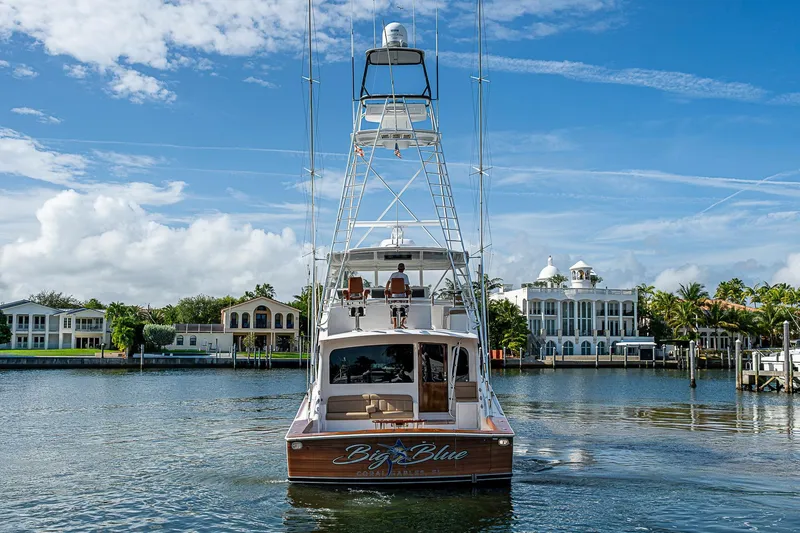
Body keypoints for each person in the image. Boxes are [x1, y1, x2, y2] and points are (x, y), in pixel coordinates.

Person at [386, 263, 411, 328]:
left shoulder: (393, 275)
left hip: (393, 296)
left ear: (398, 268)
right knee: (407, 307)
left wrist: (386, 290)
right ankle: (402, 323)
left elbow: (388, 283)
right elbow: (407, 286)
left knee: (393, 308)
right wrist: (409, 292)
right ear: (404, 269)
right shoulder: (405, 276)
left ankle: (395, 324)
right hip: (402, 296)